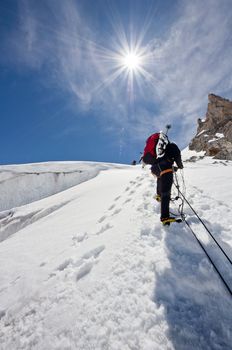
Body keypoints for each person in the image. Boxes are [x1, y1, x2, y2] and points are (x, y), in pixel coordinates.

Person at [142, 132, 183, 225]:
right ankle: (165, 217)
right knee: (166, 192)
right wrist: (180, 166)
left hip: (155, 169)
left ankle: (158, 195)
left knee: (160, 178)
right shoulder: (172, 146)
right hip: (165, 167)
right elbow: (177, 157)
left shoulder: (158, 150)